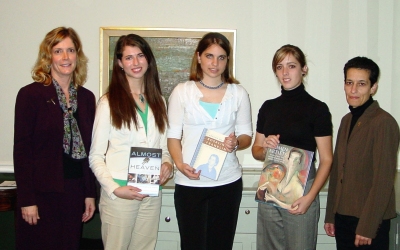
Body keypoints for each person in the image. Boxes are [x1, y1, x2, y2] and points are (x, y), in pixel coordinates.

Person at [167, 32, 253, 250]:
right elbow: (173, 137)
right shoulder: (181, 92)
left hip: (227, 182)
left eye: (221, 57)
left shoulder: (238, 93)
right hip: (190, 182)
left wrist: (236, 143)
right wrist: (180, 165)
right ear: (198, 57)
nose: (215, 63)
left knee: (221, 245)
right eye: (209, 56)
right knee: (191, 244)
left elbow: (246, 136)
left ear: (227, 61)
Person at [13, 27, 97, 250]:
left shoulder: (87, 98)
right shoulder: (31, 95)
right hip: (40, 194)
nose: (65, 57)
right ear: (48, 56)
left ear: (77, 55)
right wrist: (27, 199)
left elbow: (90, 150)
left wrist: (89, 194)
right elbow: (22, 150)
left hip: (74, 190)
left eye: (70, 50)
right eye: (58, 51)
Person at [89, 34, 173, 250]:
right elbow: (95, 156)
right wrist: (115, 189)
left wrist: (167, 165)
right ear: (119, 63)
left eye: (140, 56)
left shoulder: (159, 102)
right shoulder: (108, 103)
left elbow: (164, 148)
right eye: (128, 58)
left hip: (151, 192)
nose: (135, 63)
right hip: (120, 195)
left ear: (149, 59)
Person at [251, 44, 333, 249]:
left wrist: (310, 198)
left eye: (291, 66)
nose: (285, 72)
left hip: (302, 190)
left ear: (304, 69)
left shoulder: (318, 109)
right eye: (279, 67)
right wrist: (266, 147)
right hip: (270, 188)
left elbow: (327, 159)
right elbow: (256, 151)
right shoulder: (268, 107)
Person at [324, 57, 400, 249]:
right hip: (343, 217)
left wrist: (368, 227)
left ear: (373, 87)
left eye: (361, 84)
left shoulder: (384, 122)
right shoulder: (346, 120)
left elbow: (383, 181)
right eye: (349, 83)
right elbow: (337, 171)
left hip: (369, 222)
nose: (353, 90)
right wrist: (331, 215)